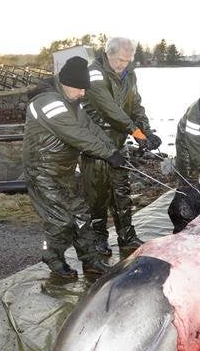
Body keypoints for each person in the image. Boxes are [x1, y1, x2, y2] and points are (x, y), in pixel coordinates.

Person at [23, 56, 127, 278]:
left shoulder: (72, 102)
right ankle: (52, 257)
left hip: (65, 171)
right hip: (42, 172)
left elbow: (90, 127)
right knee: (60, 220)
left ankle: (90, 261)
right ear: (65, 82)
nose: (83, 93)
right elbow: (77, 135)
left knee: (82, 215)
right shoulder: (48, 102)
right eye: (79, 88)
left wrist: (114, 149)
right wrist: (108, 154)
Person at [80, 37, 162, 256]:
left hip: (118, 141)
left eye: (127, 60)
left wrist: (146, 131)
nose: (123, 65)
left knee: (121, 192)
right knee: (97, 195)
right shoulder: (94, 72)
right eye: (119, 60)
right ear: (108, 53)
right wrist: (134, 131)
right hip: (95, 142)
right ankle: (98, 238)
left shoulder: (130, 75)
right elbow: (108, 108)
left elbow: (135, 105)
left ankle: (127, 236)